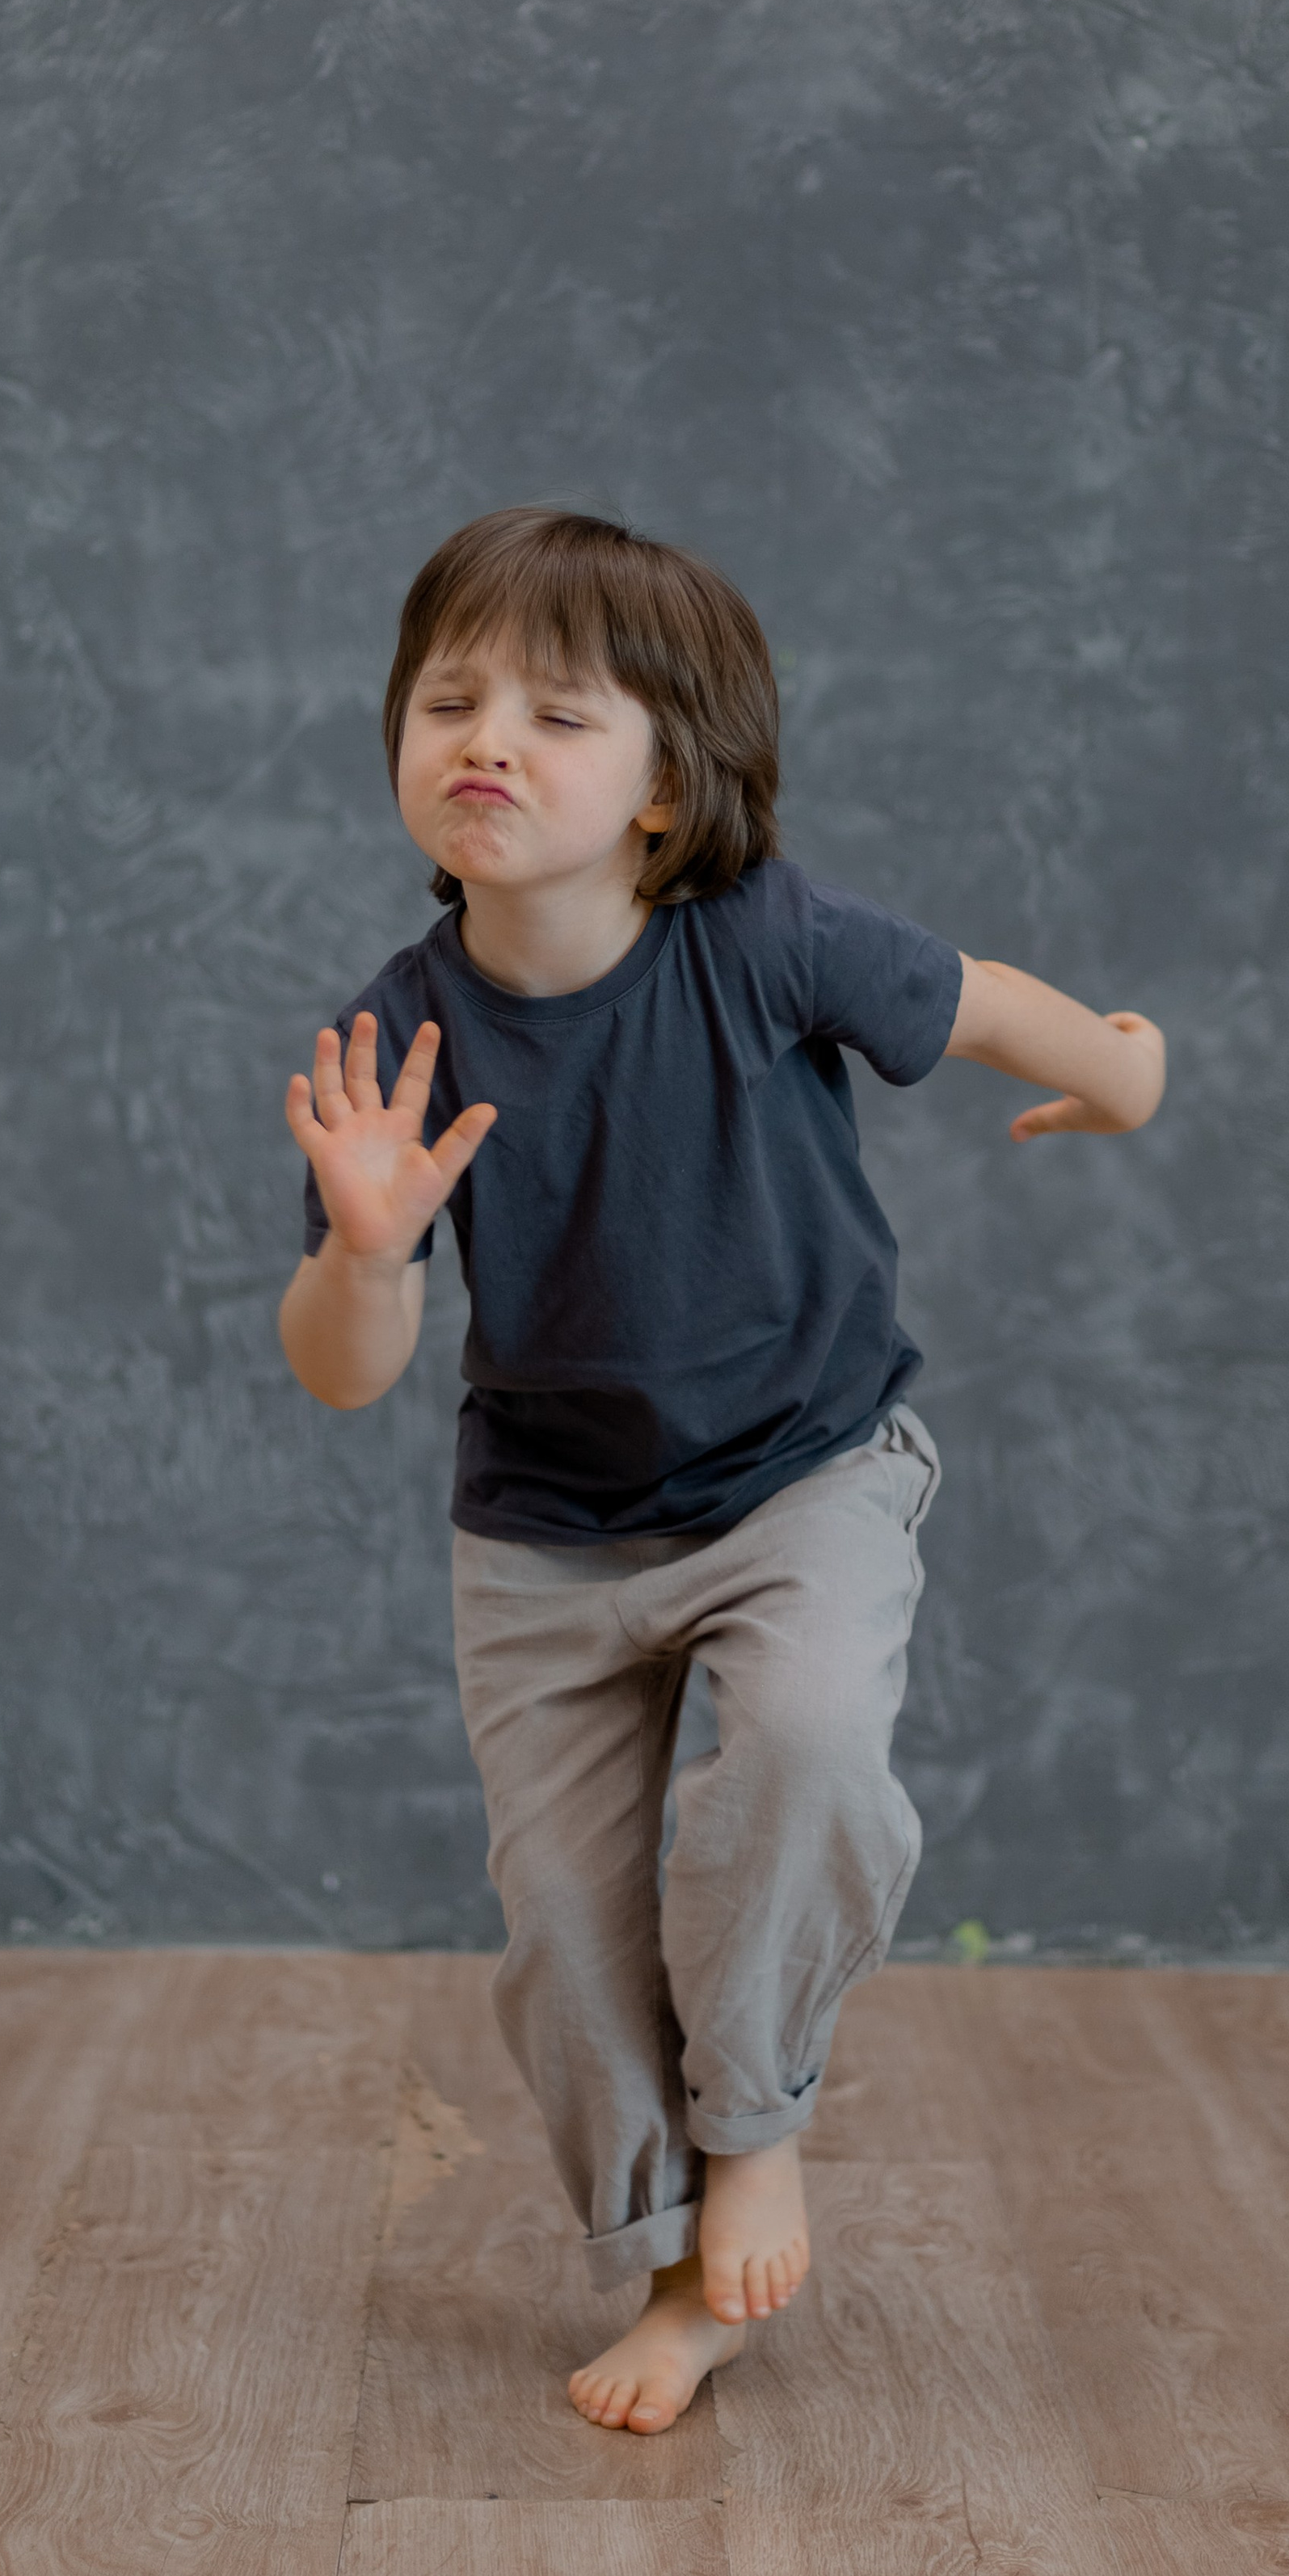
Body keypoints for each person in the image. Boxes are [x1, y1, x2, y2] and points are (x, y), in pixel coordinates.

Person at [279, 508, 1165, 2436]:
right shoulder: (400, 1033)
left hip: (801, 1474)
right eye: (448, 701)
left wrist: (1116, 1070)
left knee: (810, 1746)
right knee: (566, 1936)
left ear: (666, 789)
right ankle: (682, 2272)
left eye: (551, 715)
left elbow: (975, 998)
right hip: (548, 1541)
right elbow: (348, 1376)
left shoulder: (757, 941)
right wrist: (361, 1251)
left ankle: (755, 2123)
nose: (484, 738)